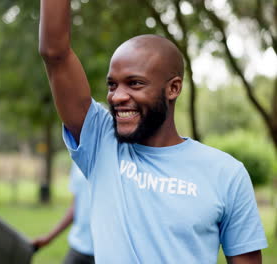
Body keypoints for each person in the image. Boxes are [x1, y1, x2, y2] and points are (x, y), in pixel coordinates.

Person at [38, 0, 268, 263]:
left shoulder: (227, 174)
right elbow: (54, 52)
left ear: (173, 88)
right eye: (112, 85)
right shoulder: (101, 143)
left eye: (135, 84)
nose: (117, 97)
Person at [32, 162, 94, 264]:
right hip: (78, 246)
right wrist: (49, 238)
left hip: (106, 252)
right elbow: (75, 207)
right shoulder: (78, 160)